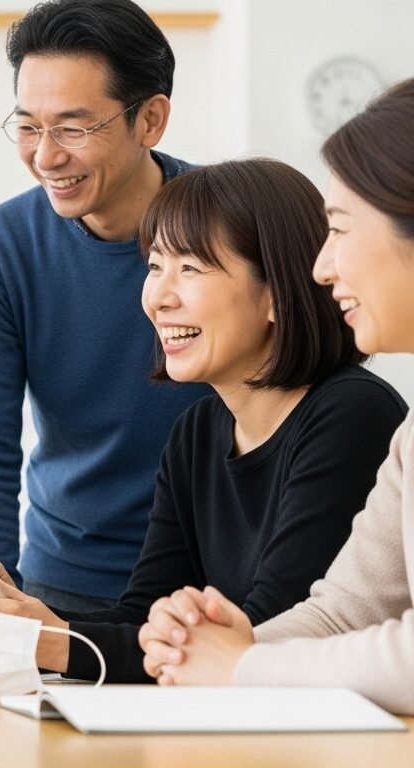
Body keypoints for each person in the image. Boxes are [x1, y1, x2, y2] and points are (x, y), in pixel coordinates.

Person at [0, 159, 407, 682]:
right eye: (154, 266)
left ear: (275, 294)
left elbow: (264, 633)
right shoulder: (197, 432)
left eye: (190, 268)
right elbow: (143, 615)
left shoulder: (352, 415)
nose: (159, 297)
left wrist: (50, 642)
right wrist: (25, 618)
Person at [140, 79, 414, 715]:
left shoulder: (354, 412)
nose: (321, 268)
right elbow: (343, 612)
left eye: (340, 230)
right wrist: (215, 651)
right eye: (156, 265)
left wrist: (242, 663)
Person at [0, 0, 208, 611]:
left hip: (216, 580)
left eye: (73, 127)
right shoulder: (0, 247)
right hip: (67, 582)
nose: (45, 156)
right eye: (29, 126)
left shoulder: (229, 228)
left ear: (151, 120)